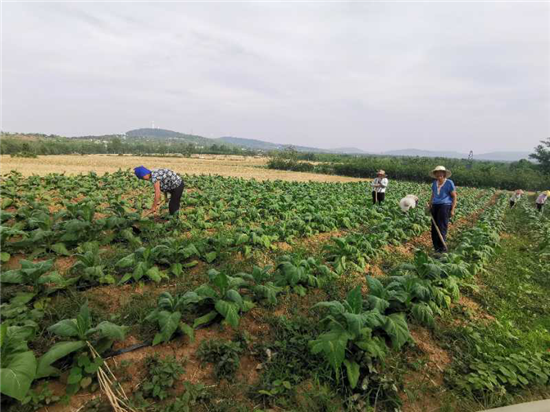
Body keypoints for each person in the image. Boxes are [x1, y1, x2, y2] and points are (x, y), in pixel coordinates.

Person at [428, 166, 457, 253]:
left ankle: (442, 249)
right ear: (435, 174)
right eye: (437, 172)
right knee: (434, 227)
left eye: (441, 172)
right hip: (435, 206)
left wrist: (452, 210)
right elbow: (433, 195)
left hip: (445, 206)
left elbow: (454, 196)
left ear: (444, 174)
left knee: (441, 227)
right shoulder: (434, 183)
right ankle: (436, 248)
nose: (439, 174)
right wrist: (430, 205)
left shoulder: (449, 183)